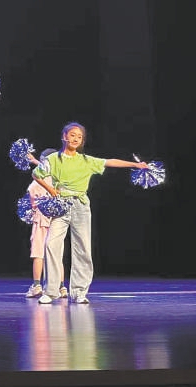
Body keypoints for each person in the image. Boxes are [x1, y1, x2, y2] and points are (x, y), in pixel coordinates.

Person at [33, 122, 147, 305]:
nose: (76, 139)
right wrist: (51, 190)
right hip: (61, 205)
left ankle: (79, 292)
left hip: (80, 206)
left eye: (79, 136)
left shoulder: (86, 160)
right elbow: (36, 174)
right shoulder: (53, 159)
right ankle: (51, 291)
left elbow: (109, 161)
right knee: (51, 244)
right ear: (64, 136)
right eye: (72, 135)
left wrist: (135, 164)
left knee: (83, 248)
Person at [24, 149, 68, 299]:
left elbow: (32, 191)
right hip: (57, 219)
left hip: (41, 218)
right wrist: (35, 161)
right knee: (57, 254)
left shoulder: (39, 179)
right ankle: (61, 288)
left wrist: (33, 208)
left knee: (38, 253)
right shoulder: (60, 177)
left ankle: (37, 285)